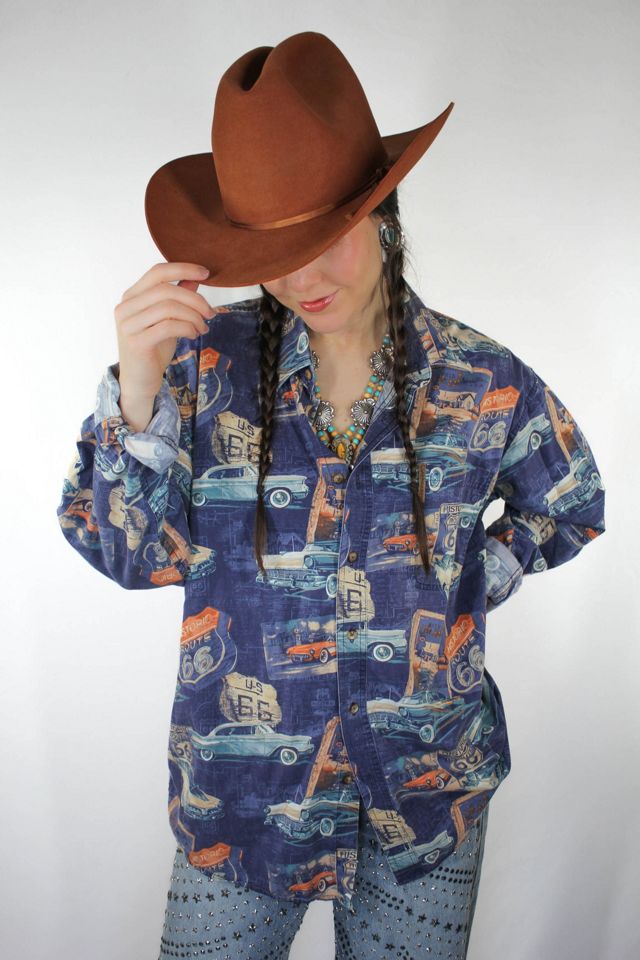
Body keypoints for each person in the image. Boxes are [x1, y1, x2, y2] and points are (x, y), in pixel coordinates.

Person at [56, 31, 606, 960]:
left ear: (381, 211)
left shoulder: (483, 380)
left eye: (325, 238)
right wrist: (138, 397)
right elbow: (128, 556)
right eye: (277, 250)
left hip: (426, 801)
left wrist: (468, 584)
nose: (303, 279)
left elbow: (572, 503)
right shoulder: (202, 370)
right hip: (244, 806)